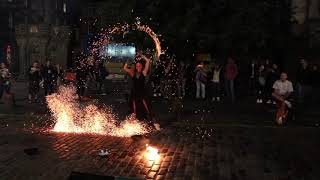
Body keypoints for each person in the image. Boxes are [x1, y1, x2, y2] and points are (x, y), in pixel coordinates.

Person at [123, 53, 151, 120]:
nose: (138, 67)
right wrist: (128, 61)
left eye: (139, 66)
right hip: (134, 92)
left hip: (142, 92)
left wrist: (142, 56)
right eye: (137, 66)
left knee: (145, 105)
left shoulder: (144, 72)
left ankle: (150, 117)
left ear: (141, 66)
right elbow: (125, 68)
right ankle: (134, 118)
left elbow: (147, 61)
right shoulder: (133, 74)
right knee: (134, 106)